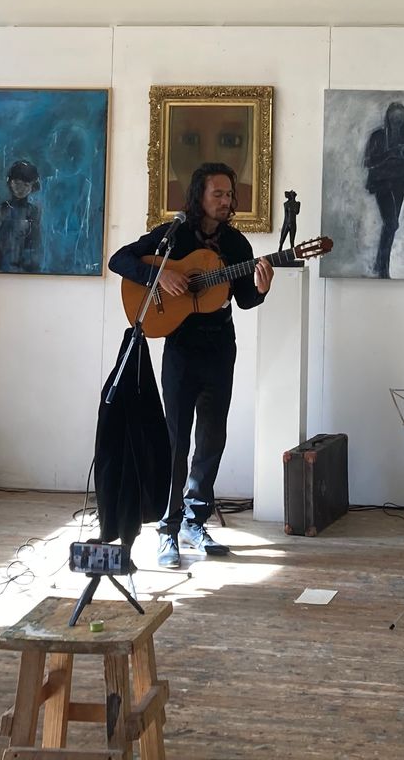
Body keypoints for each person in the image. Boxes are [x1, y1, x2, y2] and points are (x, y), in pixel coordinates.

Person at [108, 162, 273, 569]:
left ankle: (194, 522)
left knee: (212, 438)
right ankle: (168, 528)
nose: (226, 201)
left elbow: (245, 300)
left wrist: (261, 289)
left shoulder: (236, 244)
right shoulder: (173, 235)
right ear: (199, 194)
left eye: (230, 194)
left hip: (220, 348)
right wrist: (160, 274)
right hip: (181, 349)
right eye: (218, 194)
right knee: (176, 439)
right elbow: (119, 260)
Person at [363, 100, 404, 278]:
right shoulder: (378, 136)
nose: (397, 122)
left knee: (391, 225)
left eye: (400, 119)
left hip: (399, 185)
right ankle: (382, 267)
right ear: (388, 117)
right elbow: (368, 162)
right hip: (382, 184)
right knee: (391, 224)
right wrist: (389, 154)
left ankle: (380, 265)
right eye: (394, 118)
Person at [0, 159, 43, 272]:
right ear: (10, 182)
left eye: (26, 184)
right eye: (17, 183)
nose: (21, 188)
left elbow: (35, 243)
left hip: (26, 272)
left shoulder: (33, 212)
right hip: (1, 270)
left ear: (32, 187)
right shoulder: (2, 210)